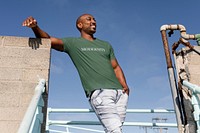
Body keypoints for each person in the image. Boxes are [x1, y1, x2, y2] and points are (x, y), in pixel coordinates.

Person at [22, 14, 130, 133]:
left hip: (120, 93)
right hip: (100, 92)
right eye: (89, 19)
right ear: (80, 25)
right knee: (114, 130)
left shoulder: (106, 45)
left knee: (116, 128)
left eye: (94, 19)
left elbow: (115, 67)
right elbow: (48, 40)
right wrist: (35, 27)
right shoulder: (72, 43)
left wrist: (124, 85)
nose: (93, 21)